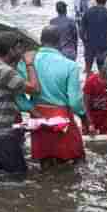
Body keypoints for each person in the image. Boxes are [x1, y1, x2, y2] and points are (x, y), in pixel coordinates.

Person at [0, 31, 39, 175]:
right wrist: (29, 64)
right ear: (10, 50)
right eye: (18, 48)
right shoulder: (5, 71)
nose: (21, 51)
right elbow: (34, 89)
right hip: (0, 134)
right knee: (19, 177)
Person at [30, 26, 86, 165]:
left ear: (41, 41)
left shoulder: (28, 63)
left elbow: (19, 96)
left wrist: (29, 108)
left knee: (45, 160)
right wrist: (84, 117)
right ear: (60, 42)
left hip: (37, 116)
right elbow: (75, 103)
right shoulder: (70, 65)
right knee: (76, 158)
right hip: (62, 117)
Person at [80, 0, 107, 75]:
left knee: (88, 71)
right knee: (103, 73)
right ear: (106, 0)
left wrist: (85, 42)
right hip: (103, 47)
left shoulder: (88, 13)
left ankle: (87, 86)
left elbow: (81, 31)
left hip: (89, 47)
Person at [82, 69, 107, 138]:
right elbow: (85, 105)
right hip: (92, 115)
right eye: (106, 83)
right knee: (89, 139)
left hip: (106, 117)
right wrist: (90, 124)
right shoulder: (91, 82)